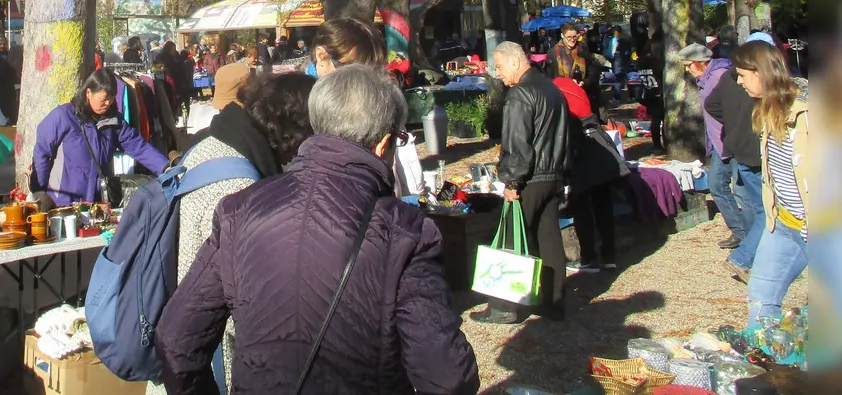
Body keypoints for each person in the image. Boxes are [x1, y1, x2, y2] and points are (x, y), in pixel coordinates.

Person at [155, 65, 480, 394]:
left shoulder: (239, 210)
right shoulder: (405, 232)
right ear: (384, 145)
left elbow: (176, 339)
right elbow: (446, 377)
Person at [145, 72, 318, 395]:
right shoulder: (240, 186)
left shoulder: (214, 144)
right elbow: (245, 301)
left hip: (185, 353)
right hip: (212, 363)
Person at [474, 41, 572, 323]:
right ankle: (552, 303)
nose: (498, 73)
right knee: (549, 237)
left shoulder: (520, 95)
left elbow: (518, 144)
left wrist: (511, 182)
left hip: (530, 177)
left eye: (500, 67)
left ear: (516, 62)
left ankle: (503, 307)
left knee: (510, 239)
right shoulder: (552, 89)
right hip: (553, 174)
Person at [733, 40, 809, 325]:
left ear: (760, 72)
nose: (739, 81)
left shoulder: (809, 112)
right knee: (761, 294)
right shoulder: (766, 110)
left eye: (742, 74)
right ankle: (765, 359)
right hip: (783, 224)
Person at [30, 68, 169, 206]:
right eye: (104, 99)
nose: (108, 103)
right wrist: (40, 192)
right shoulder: (63, 116)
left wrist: (165, 167)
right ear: (88, 93)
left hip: (99, 203)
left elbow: (139, 147)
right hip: (63, 203)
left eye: (112, 98)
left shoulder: (114, 121)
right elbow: (42, 154)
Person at [706, 42, 766, 278]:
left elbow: (711, 105)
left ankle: (750, 250)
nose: (740, 80)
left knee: (751, 201)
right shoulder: (743, 82)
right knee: (765, 210)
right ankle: (746, 255)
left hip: (739, 147)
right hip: (753, 150)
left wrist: (731, 123)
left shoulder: (725, 80)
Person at [558, 77, 627, 275]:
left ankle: (588, 259)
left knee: (582, 208)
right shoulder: (576, 92)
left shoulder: (559, 96)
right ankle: (608, 257)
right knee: (603, 207)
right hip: (600, 152)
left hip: (581, 153)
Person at [681, 43, 746, 249]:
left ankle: (751, 235)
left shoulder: (719, 76)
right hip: (719, 143)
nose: (687, 69)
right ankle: (741, 232)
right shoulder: (705, 78)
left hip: (732, 141)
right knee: (717, 185)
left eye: (689, 64)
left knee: (742, 192)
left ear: (701, 62)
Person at [308, 16, 388, 78]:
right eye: (348, 68)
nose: (358, 78)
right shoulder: (300, 97)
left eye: (367, 70)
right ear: (321, 55)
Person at [0, 36, 20, 124]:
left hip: (10, 84)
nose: (2, 46)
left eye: (4, 44)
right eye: (0, 44)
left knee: (12, 106)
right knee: (2, 108)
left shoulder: (9, 54)